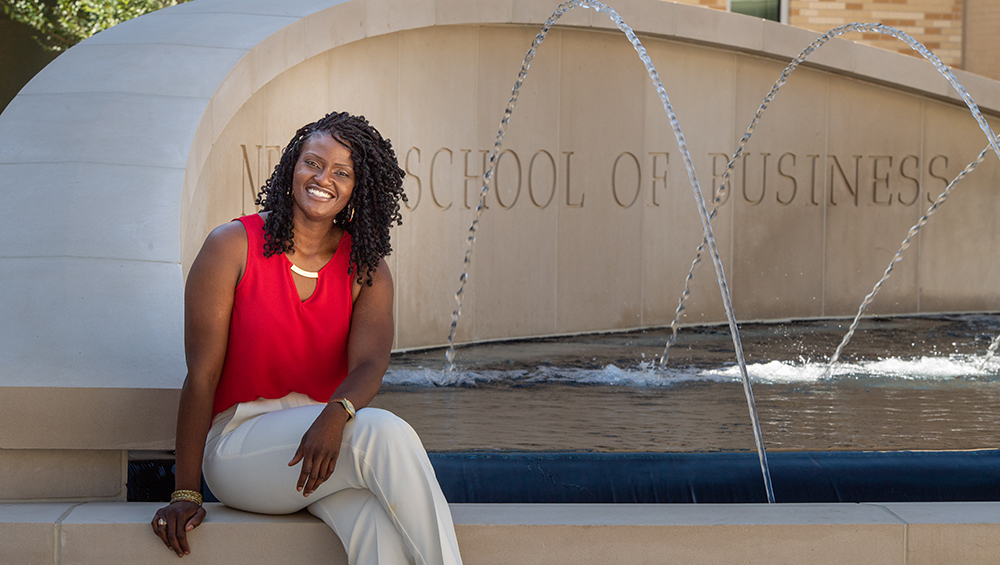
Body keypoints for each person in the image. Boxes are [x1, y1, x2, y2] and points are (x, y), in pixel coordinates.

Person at [151, 112, 463, 565]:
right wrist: (186, 491)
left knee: (378, 529)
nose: (323, 179)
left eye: (342, 172)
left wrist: (334, 416)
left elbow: (370, 364)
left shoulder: (366, 267)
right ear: (292, 168)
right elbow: (202, 375)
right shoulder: (232, 246)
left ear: (358, 188)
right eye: (313, 163)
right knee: (384, 431)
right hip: (239, 445)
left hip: (324, 443)